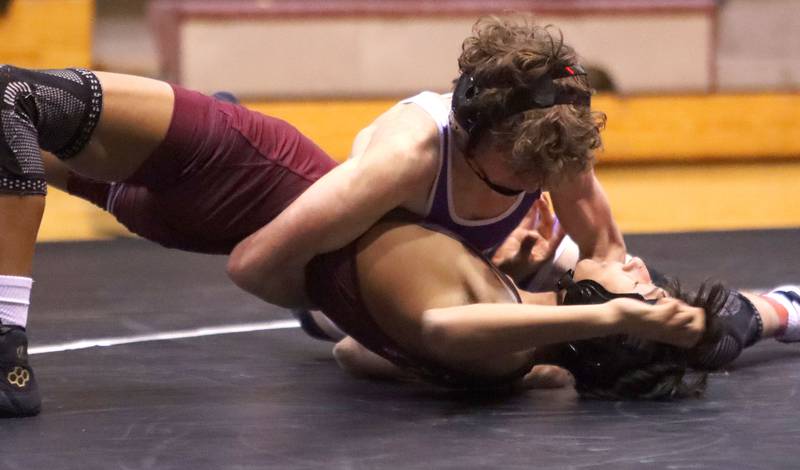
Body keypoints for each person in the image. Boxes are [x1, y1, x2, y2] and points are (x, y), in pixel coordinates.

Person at [0, 13, 630, 416]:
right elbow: (259, 268)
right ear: (474, 132)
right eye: (523, 177)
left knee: (40, 130)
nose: (537, 185)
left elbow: (614, 261)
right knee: (23, 111)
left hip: (261, 221)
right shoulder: (409, 159)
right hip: (285, 211)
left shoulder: (546, 150)